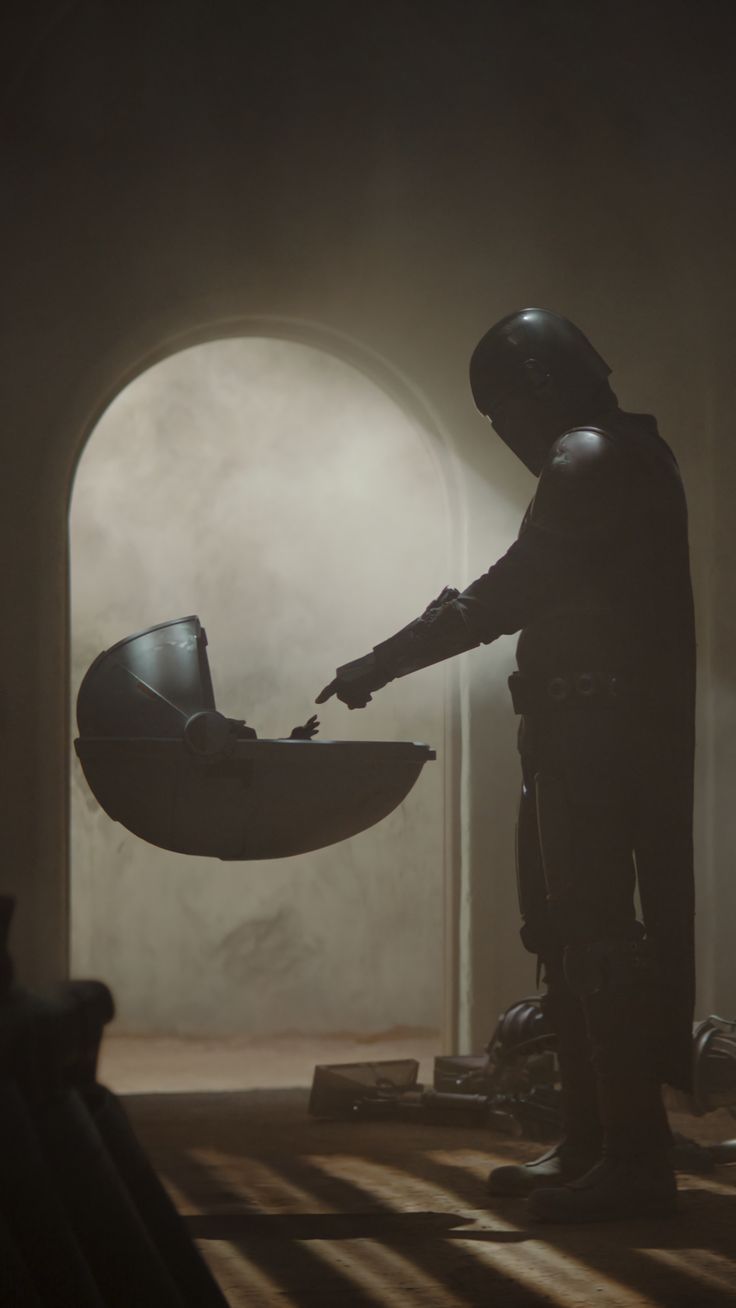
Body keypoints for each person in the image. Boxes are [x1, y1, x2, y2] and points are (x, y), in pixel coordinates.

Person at [317, 308, 696, 1223]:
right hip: (586, 735)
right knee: (567, 940)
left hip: (594, 741)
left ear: (536, 382)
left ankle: (633, 1154)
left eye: (501, 413)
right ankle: (594, 1139)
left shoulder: (587, 459)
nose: (506, 437)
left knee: (595, 941)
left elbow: (505, 595)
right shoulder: (627, 455)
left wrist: (382, 661)